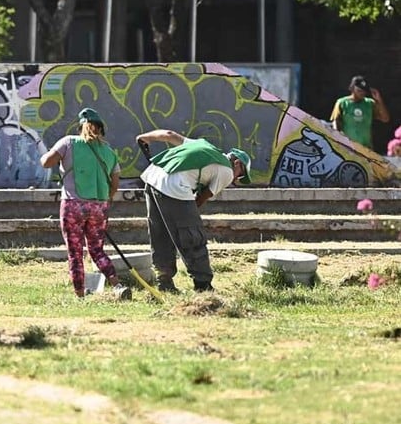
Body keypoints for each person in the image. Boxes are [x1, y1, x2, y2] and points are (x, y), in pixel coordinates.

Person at [134, 130, 252, 293]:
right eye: (240, 176)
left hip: (154, 177)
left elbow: (169, 134)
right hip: (175, 186)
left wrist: (145, 138)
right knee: (192, 235)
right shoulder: (226, 171)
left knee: (160, 233)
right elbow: (202, 198)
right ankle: (203, 285)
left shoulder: (201, 144)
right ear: (237, 163)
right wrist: (185, 215)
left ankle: (164, 282)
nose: (235, 180)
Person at [40, 108, 131, 300]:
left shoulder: (69, 142)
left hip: (73, 204)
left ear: (81, 126)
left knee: (75, 252)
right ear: (100, 129)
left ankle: (80, 295)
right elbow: (115, 184)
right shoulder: (108, 152)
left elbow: (46, 163)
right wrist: (104, 201)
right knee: (97, 250)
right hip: (99, 207)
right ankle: (117, 285)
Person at [330, 75, 389, 150]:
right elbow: (335, 122)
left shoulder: (369, 103)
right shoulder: (342, 103)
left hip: (366, 148)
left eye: (364, 90)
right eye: (359, 90)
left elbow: (385, 119)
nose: (362, 93)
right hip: (348, 146)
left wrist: (379, 100)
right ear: (352, 88)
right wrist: (338, 140)